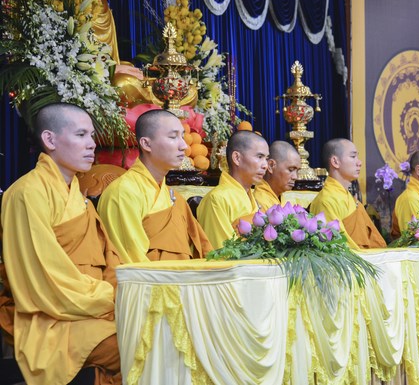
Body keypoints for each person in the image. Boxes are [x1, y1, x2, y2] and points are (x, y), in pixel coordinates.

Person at [1, 103, 121, 385]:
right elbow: (44, 278)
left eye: (92, 135)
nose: (92, 144)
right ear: (50, 139)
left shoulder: (79, 196)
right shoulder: (27, 194)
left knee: (158, 329)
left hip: (93, 306)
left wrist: (122, 292)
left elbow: (109, 258)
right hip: (50, 316)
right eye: (81, 135)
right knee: (138, 343)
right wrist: (111, 298)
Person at [97, 109, 211, 262]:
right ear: (146, 144)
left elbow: (201, 250)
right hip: (151, 277)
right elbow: (132, 264)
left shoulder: (174, 197)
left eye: (182, 136)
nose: (184, 146)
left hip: (182, 275)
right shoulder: (123, 193)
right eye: (173, 137)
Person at [310, 139, 386, 249]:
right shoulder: (326, 201)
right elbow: (339, 247)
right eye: (353, 156)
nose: (359, 163)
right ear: (335, 162)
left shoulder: (348, 197)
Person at [198, 131, 269, 248]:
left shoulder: (255, 199)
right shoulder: (216, 199)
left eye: (266, 158)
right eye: (259, 157)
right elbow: (222, 252)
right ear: (237, 158)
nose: (265, 165)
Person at [254, 141, 301, 211]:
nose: (295, 177)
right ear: (271, 165)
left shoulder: (281, 198)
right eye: (291, 170)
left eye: (297, 171)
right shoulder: (260, 201)